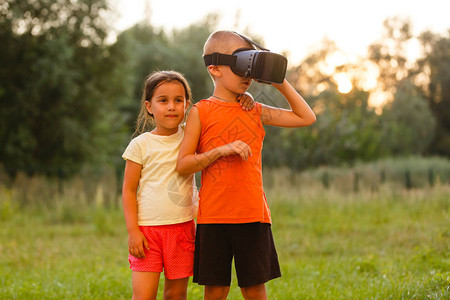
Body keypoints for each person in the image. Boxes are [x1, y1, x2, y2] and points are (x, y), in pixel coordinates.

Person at [176, 31, 316, 300]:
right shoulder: (200, 112)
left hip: (252, 214)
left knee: (254, 289)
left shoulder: (255, 109)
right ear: (214, 68)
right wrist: (220, 150)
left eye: (252, 66)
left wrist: (279, 80)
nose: (248, 74)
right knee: (216, 291)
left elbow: (306, 117)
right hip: (213, 217)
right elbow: (183, 165)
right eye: (241, 65)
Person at [121, 70, 255, 300]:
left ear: (187, 105)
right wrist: (133, 232)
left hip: (182, 229)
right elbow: (129, 190)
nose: (171, 106)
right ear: (149, 106)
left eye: (178, 100)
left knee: (176, 294)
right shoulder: (140, 145)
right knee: (143, 295)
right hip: (148, 232)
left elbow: (221, 115)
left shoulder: (192, 138)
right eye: (163, 100)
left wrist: (246, 98)